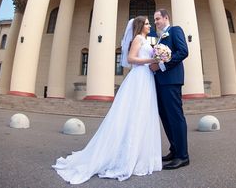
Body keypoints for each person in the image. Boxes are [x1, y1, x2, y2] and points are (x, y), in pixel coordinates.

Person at [52, 16, 162, 184]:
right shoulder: (138, 39)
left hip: (147, 78)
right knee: (133, 114)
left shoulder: (146, 40)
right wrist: (151, 60)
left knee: (143, 114)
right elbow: (132, 59)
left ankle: (140, 153)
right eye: (147, 23)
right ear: (140, 26)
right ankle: (125, 155)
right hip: (139, 78)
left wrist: (157, 61)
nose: (150, 25)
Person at [150, 9, 190, 170]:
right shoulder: (158, 37)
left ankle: (183, 156)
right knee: (165, 117)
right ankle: (174, 150)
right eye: (154, 19)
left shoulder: (175, 30)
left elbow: (183, 52)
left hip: (171, 80)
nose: (156, 22)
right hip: (159, 82)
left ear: (166, 18)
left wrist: (161, 65)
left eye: (158, 18)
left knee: (175, 117)